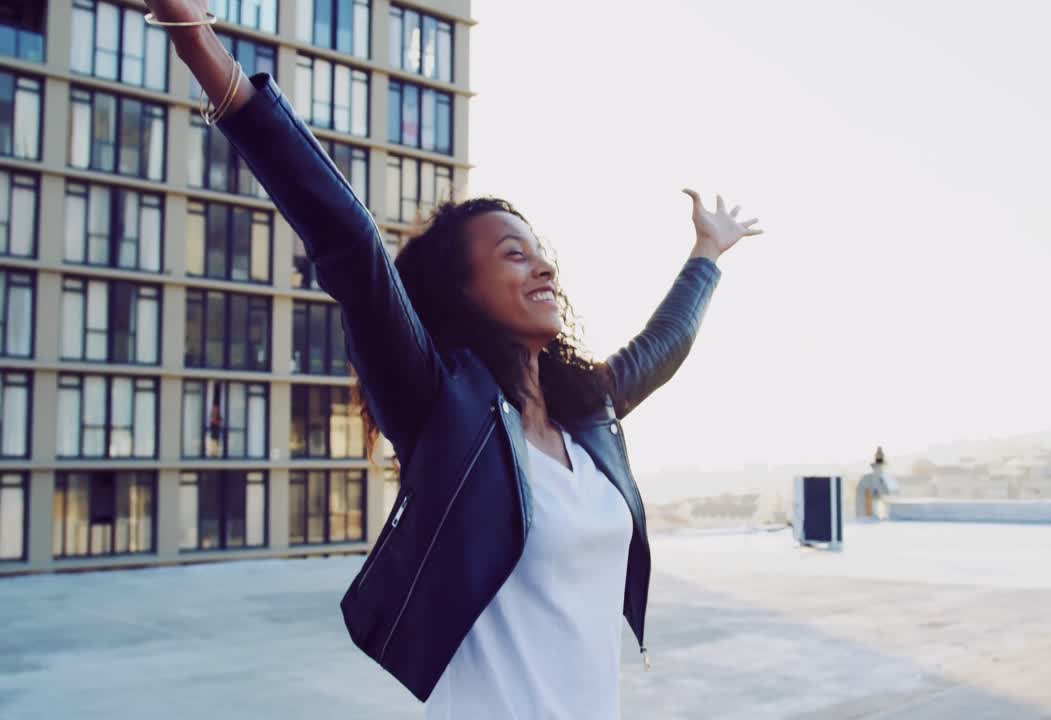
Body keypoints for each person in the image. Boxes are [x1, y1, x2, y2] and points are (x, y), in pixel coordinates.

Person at [144, 1, 764, 717]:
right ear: (462, 290)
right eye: (513, 255)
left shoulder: (585, 415)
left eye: (542, 254)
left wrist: (707, 252)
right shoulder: (443, 410)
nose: (544, 269)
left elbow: (662, 346)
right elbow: (348, 240)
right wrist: (198, 43)